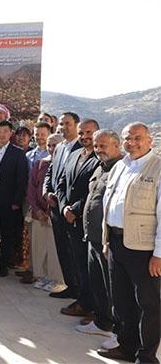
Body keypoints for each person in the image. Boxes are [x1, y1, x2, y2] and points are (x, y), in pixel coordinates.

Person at [98, 122, 161, 363]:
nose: (131, 142)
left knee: (148, 303)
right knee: (121, 300)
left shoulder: (157, 168)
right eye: (127, 138)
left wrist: (159, 253)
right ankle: (127, 346)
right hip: (116, 241)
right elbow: (109, 204)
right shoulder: (120, 166)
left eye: (137, 138)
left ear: (149, 141)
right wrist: (106, 240)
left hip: (143, 249)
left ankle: (147, 356)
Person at [76, 130, 122, 345]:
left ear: (116, 145)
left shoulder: (121, 170)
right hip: (92, 235)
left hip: (108, 240)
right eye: (96, 146)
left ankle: (119, 332)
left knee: (113, 287)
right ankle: (102, 322)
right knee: (98, 283)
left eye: (103, 145)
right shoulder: (99, 168)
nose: (99, 149)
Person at [58, 119, 100, 318]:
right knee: (78, 264)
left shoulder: (100, 158)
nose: (84, 137)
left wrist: (74, 209)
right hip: (69, 218)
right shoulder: (74, 154)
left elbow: (96, 191)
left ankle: (92, 306)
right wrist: (63, 207)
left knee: (89, 267)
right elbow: (62, 182)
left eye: (89, 133)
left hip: (87, 220)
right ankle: (83, 301)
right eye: (81, 133)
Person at [43, 112, 82, 299]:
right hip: (56, 207)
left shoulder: (82, 148)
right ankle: (70, 286)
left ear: (76, 125)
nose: (64, 127)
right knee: (62, 250)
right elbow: (51, 173)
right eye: (61, 124)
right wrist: (46, 191)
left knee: (75, 253)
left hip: (73, 211)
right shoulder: (59, 148)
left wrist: (70, 206)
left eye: (68, 123)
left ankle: (81, 293)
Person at [0, 120, 28, 277]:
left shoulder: (18, 153)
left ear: (11, 134)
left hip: (9, 201)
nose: (1, 134)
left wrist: (17, 201)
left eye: (5, 131)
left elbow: (22, 179)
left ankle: (4, 264)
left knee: (6, 234)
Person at [27, 133, 65, 291]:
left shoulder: (65, 164)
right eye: (49, 145)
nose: (51, 149)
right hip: (38, 213)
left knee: (54, 249)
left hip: (54, 215)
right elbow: (32, 187)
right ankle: (42, 276)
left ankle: (56, 279)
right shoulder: (41, 163)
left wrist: (50, 211)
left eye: (55, 145)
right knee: (39, 247)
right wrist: (36, 209)